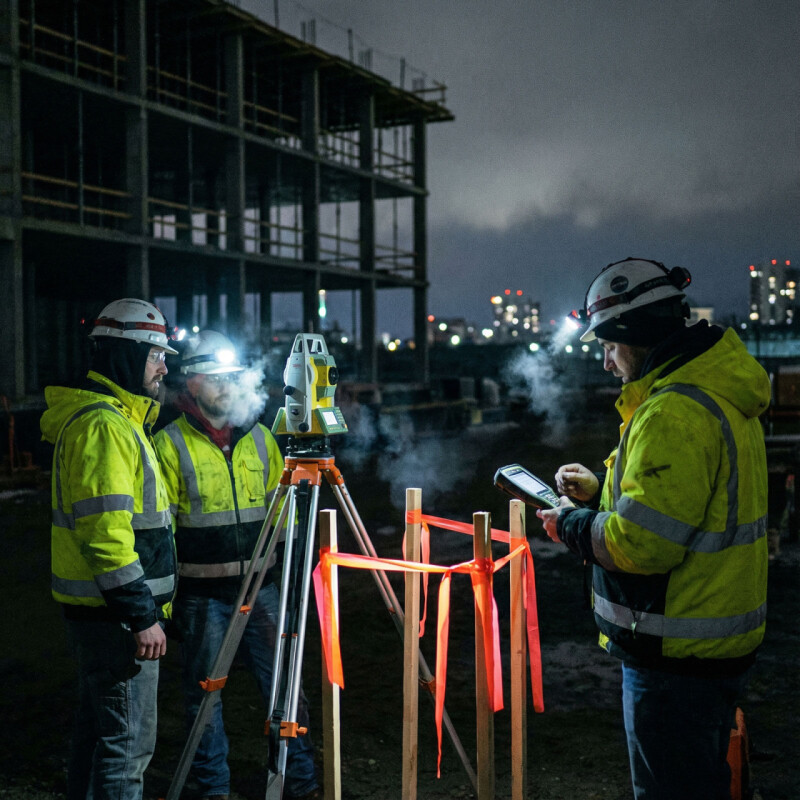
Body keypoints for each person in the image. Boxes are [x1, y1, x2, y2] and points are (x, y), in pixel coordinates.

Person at [536, 258, 769, 800]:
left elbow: (642, 545)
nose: (606, 362)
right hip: (711, 641)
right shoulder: (713, 389)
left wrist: (571, 525)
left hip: (676, 654)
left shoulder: (672, 413)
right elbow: (690, 505)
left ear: (636, 337)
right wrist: (601, 492)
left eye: (610, 348)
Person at [154, 330, 320, 800]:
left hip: (264, 589)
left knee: (285, 691)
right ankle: (214, 790)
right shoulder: (168, 445)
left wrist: (290, 577)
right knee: (206, 700)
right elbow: (162, 533)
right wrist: (167, 604)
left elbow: (284, 520)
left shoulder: (264, 440)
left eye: (233, 376)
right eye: (216, 377)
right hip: (202, 598)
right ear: (192, 382)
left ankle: (299, 782)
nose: (227, 386)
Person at [41, 298, 178, 800]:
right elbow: (106, 536)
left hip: (103, 615)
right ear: (125, 355)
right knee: (127, 749)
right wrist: (141, 615)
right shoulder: (104, 425)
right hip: (113, 619)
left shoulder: (117, 420)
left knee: (98, 737)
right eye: (156, 354)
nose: (164, 366)